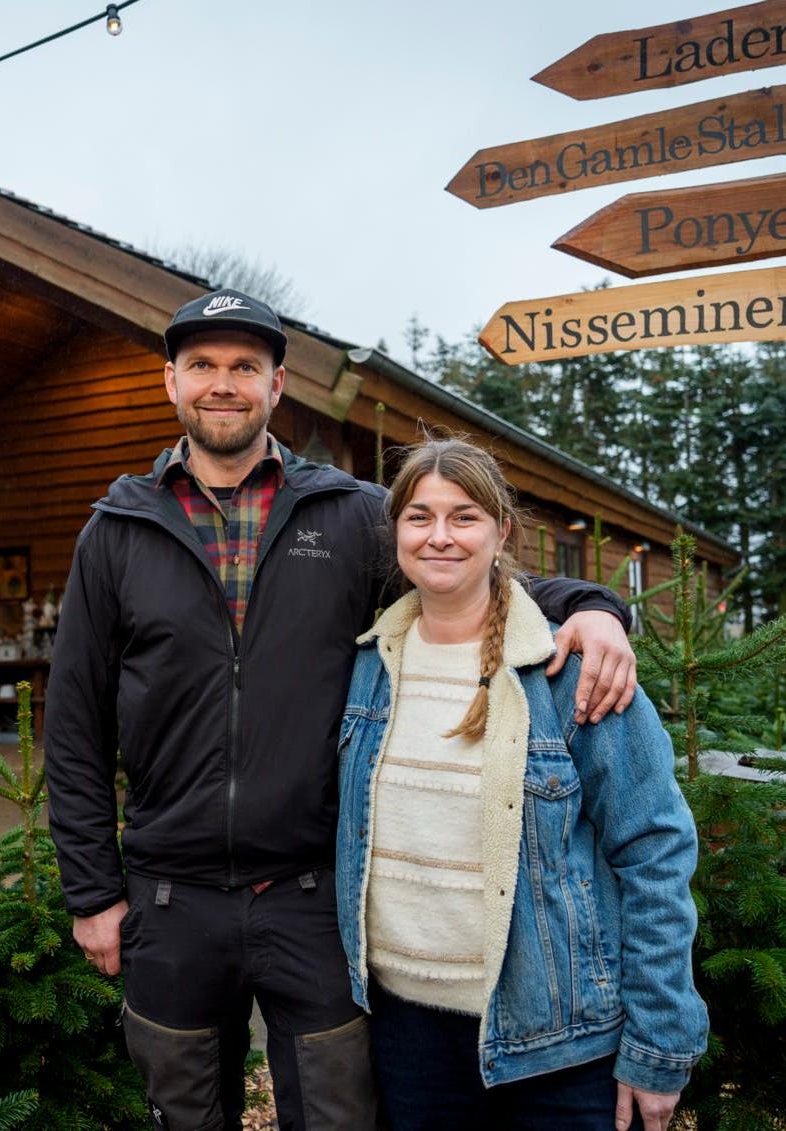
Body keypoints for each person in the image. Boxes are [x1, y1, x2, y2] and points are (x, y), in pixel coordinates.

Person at [44, 289, 639, 1131]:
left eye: (244, 366)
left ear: (276, 385)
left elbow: (467, 574)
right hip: (168, 902)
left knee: (336, 1114)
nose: (224, 383)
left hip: (314, 897)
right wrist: (91, 892)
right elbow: (73, 726)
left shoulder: (349, 514)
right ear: (170, 381)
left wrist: (592, 604)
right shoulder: (116, 531)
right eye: (204, 365)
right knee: (182, 1111)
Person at [336, 437, 708, 1131]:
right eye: (418, 517)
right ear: (395, 532)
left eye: (464, 515)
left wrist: (659, 1043)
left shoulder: (570, 670)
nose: (439, 535)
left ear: (501, 529)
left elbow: (653, 849)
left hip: (558, 1041)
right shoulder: (367, 667)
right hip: (406, 1035)